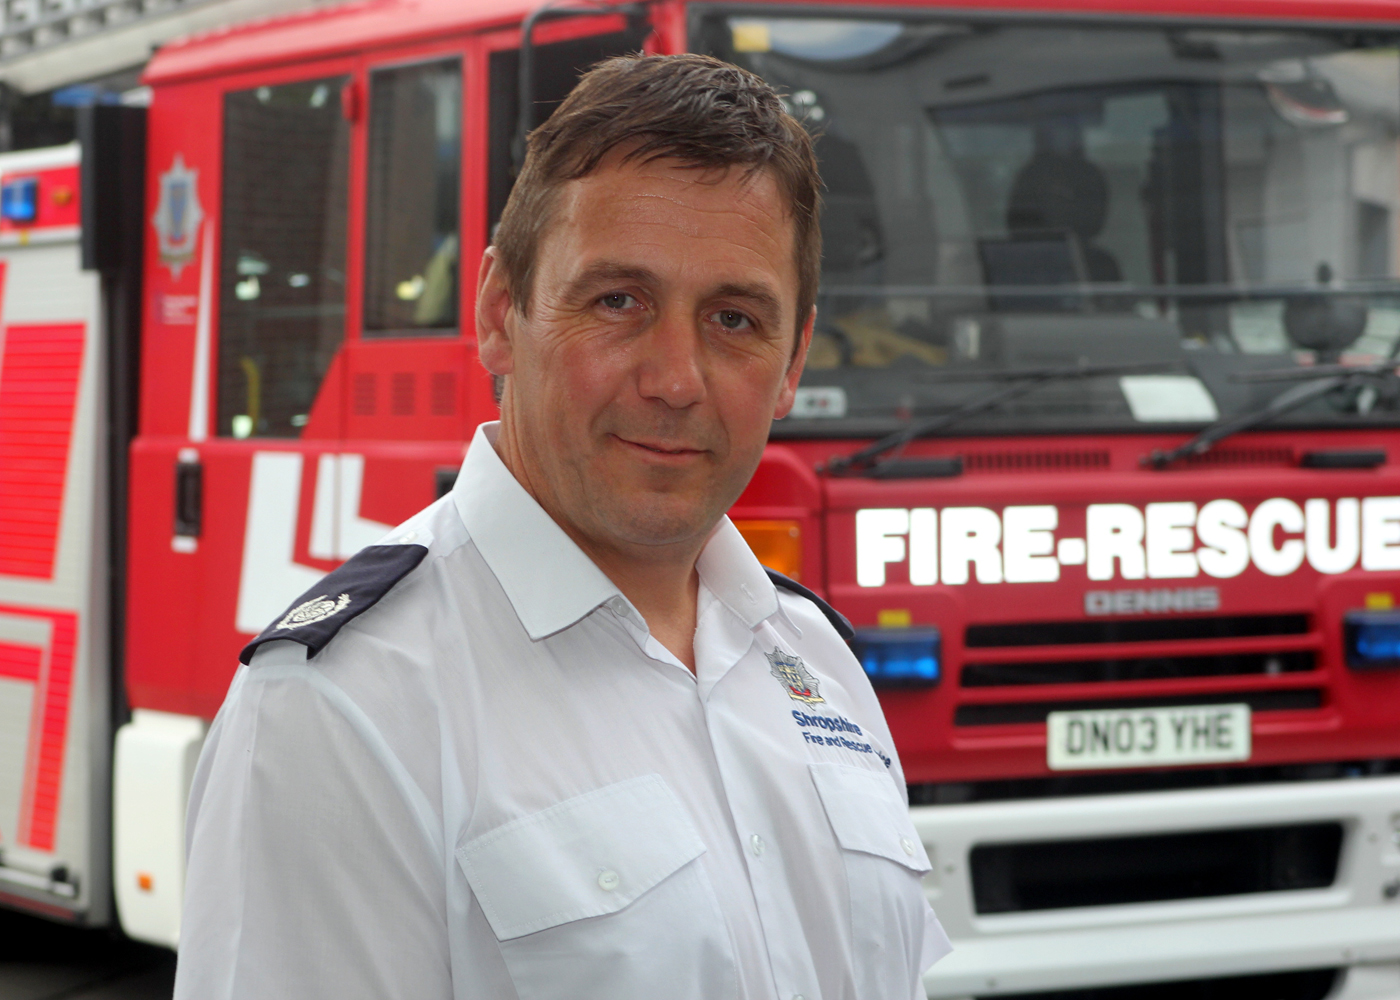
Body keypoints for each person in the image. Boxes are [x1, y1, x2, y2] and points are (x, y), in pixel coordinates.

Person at [174, 53, 950, 1000]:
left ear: (792, 364)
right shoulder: (346, 708)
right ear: (502, 313)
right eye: (618, 302)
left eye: (735, 319)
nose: (675, 379)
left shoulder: (817, 663)